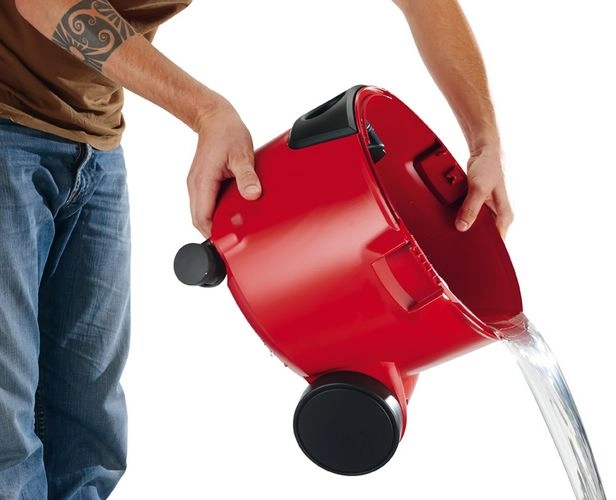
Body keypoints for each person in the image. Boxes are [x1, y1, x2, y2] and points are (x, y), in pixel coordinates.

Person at [0, 0, 513, 498]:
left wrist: (485, 144)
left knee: (88, 425)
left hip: (93, 141)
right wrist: (206, 111)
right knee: (7, 422)